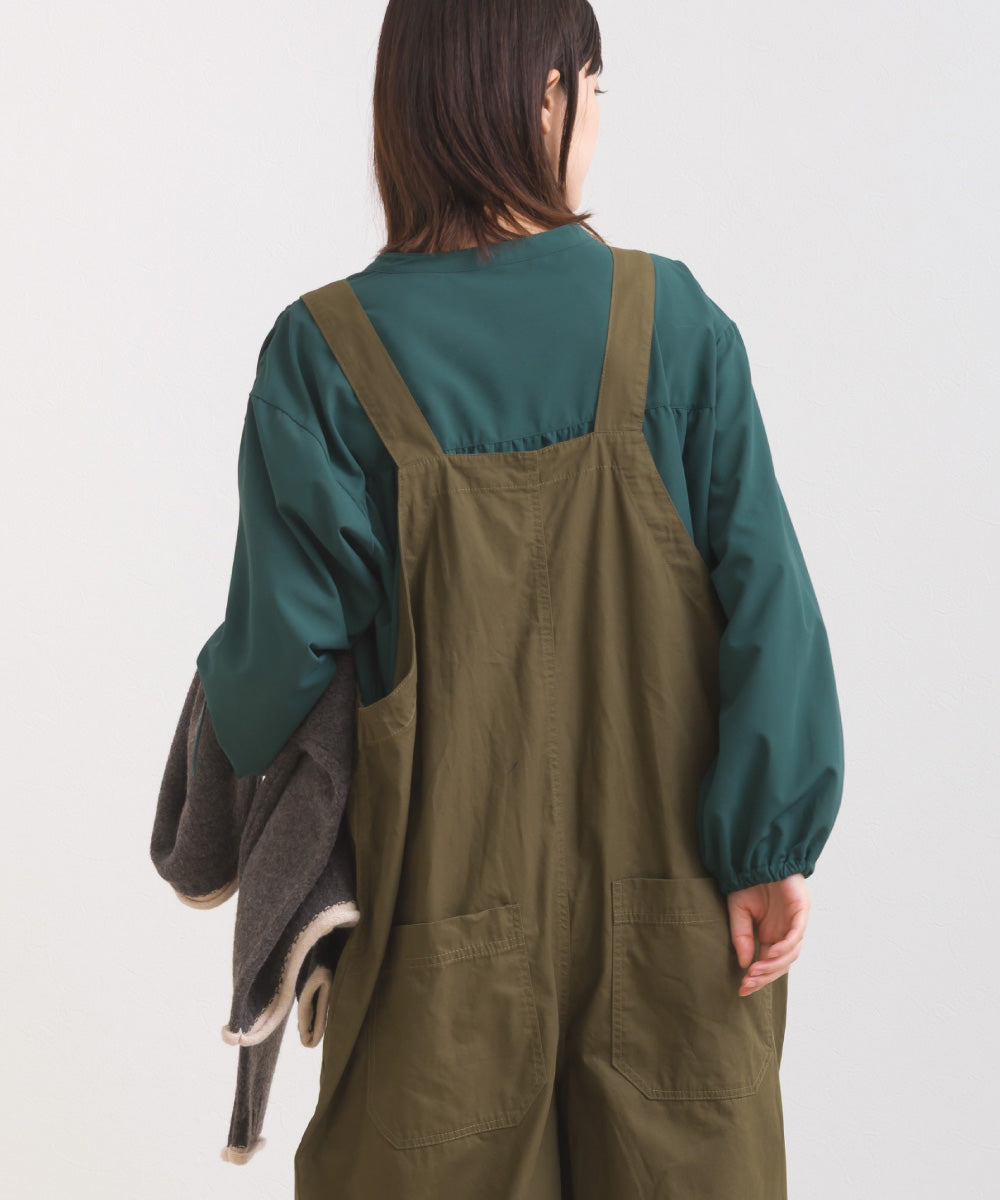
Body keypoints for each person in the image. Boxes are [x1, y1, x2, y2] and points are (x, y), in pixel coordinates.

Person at [193, 1, 844, 1195]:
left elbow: (271, 677)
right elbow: (771, 613)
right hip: (674, 936)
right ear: (548, 95)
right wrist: (765, 848)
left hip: (432, 956)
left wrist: (219, 722)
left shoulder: (323, 357)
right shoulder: (676, 328)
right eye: (595, 92)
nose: (594, 120)